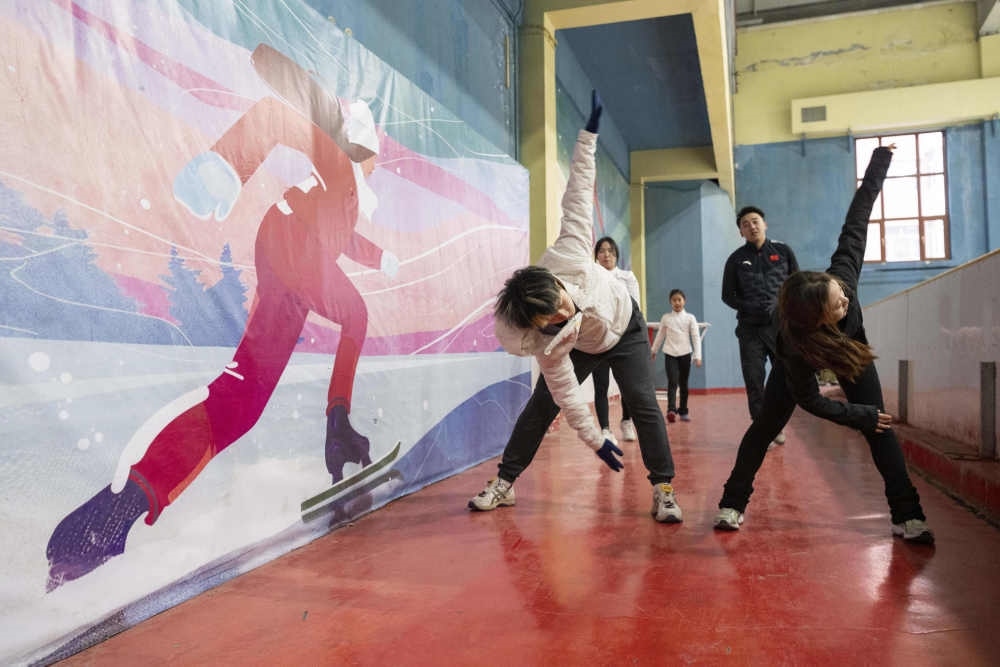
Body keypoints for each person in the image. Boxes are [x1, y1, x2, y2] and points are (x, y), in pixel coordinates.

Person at [45, 44, 399, 590]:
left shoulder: (344, 198)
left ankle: (125, 504)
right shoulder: (342, 170)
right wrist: (228, 162)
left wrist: (380, 257)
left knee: (240, 404)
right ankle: (338, 421)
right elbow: (275, 117)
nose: (377, 167)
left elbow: (344, 239)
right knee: (356, 315)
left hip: (291, 271)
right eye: (375, 157)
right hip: (294, 255)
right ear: (364, 149)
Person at [468, 91, 682, 523]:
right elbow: (568, 398)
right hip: (583, 346)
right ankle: (504, 483)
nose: (561, 316)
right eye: (549, 320)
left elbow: (578, 192)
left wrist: (588, 136)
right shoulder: (547, 343)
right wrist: (596, 441)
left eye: (559, 306)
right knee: (540, 407)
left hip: (626, 329)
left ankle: (663, 489)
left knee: (643, 403)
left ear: (554, 284)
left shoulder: (568, 252)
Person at [713, 144, 934, 544]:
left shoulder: (842, 277)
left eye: (842, 294)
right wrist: (855, 415)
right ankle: (732, 503)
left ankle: (908, 515)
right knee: (764, 429)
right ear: (817, 318)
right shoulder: (792, 344)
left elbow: (857, 219)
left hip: (851, 357)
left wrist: (879, 162)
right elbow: (811, 401)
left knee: (880, 426)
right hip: (800, 364)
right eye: (838, 304)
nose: (846, 300)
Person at [722, 204, 799, 446]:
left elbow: (797, 285)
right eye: (745, 224)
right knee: (754, 380)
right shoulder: (735, 260)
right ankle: (763, 430)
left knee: (785, 379)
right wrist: (748, 306)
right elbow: (727, 295)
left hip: (780, 329)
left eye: (755, 221)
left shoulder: (783, 251)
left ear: (764, 224)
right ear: (741, 232)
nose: (752, 227)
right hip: (750, 331)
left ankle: (777, 424)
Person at [592, 236, 641, 443]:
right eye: (602, 251)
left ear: (616, 255)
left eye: (610, 251)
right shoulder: (591, 277)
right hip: (599, 338)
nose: (606, 255)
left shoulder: (627, 277)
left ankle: (627, 421)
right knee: (601, 385)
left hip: (622, 339)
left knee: (626, 384)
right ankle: (605, 429)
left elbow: (635, 308)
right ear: (596, 255)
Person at [650, 289, 702, 422]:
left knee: (683, 384)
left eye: (679, 300)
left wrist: (698, 356)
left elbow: (695, 337)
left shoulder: (690, 318)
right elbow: (660, 335)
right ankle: (671, 410)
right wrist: (653, 350)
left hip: (685, 354)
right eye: (674, 300)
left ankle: (683, 411)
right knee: (672, 382)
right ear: (670, 302)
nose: (677, 302)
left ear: (684, 301)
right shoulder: (666, 318)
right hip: (670, 354)